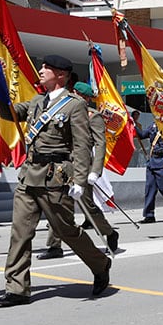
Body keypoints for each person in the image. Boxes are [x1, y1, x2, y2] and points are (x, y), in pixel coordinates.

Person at [0, 55, 111, 307]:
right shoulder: (37, 101)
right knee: (20, 233)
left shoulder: (74, 105)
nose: (42, 71)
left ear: (61, 75)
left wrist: (80, 179)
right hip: (29, 175)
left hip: (54, 178)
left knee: (66, 230)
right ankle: (17, 288)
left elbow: (81, 144)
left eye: (47, 68)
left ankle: (100, 264)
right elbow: (8, 112)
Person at [39, 81, 120, 259]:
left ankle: (109, 232)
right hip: (62, 166)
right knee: (56, 204)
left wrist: (95, 170)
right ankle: (54, 246)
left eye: (85, 98)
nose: (82, 99)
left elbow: (100, 144)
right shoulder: (61, 111)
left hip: (82, 167)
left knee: (88, 206)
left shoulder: (93, 116)